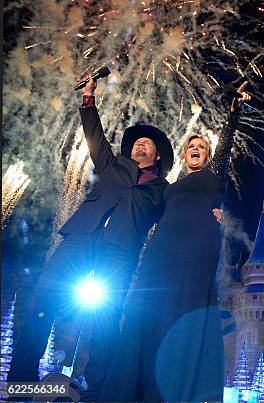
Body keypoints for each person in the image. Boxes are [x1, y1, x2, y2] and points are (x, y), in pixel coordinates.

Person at [7, 74, 174, 401]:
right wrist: (88, 96)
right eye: (137, 142)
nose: (141, 144)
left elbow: (181, 215)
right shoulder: (112, 166)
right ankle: (19, 387)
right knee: (43, 303)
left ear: (157, 157)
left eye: (148, 144)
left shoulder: (162, 191)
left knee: (105, 325)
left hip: (118, 256)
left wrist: (209, 212)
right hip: (79, 240)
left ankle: (97, 393)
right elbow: (94, 134)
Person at [100, 82, 251, 401]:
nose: (196, 148)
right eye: (191, 146)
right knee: (148, 311)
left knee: (185, 309)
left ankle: (178, 388)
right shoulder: (168, 185)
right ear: (184, 154)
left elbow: (226, 144)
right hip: (160, 251)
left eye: (202, 147)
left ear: (207, 155)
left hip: (196, 249)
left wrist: (234, 112)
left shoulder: (214, 176)